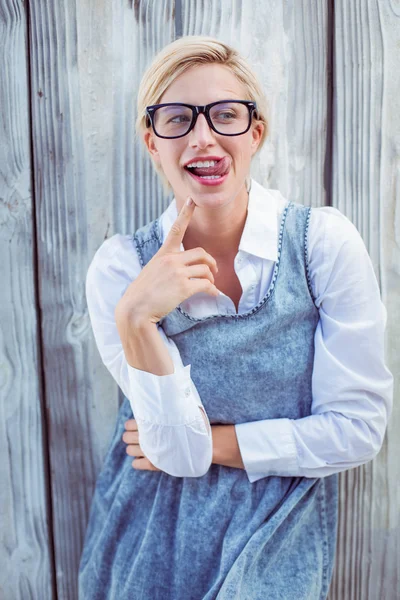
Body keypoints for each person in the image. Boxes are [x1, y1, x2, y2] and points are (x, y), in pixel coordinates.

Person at [78, 35, 393, 599]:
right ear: (152, 141)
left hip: (277, 516)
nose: (204, 137)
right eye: (177, 118)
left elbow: (358, 430)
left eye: (225, 114)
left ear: (256, 132)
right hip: (150, 521)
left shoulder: (321, 244)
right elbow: (172, 454)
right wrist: (134, 319)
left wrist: (217, 444)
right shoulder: (120, 271)